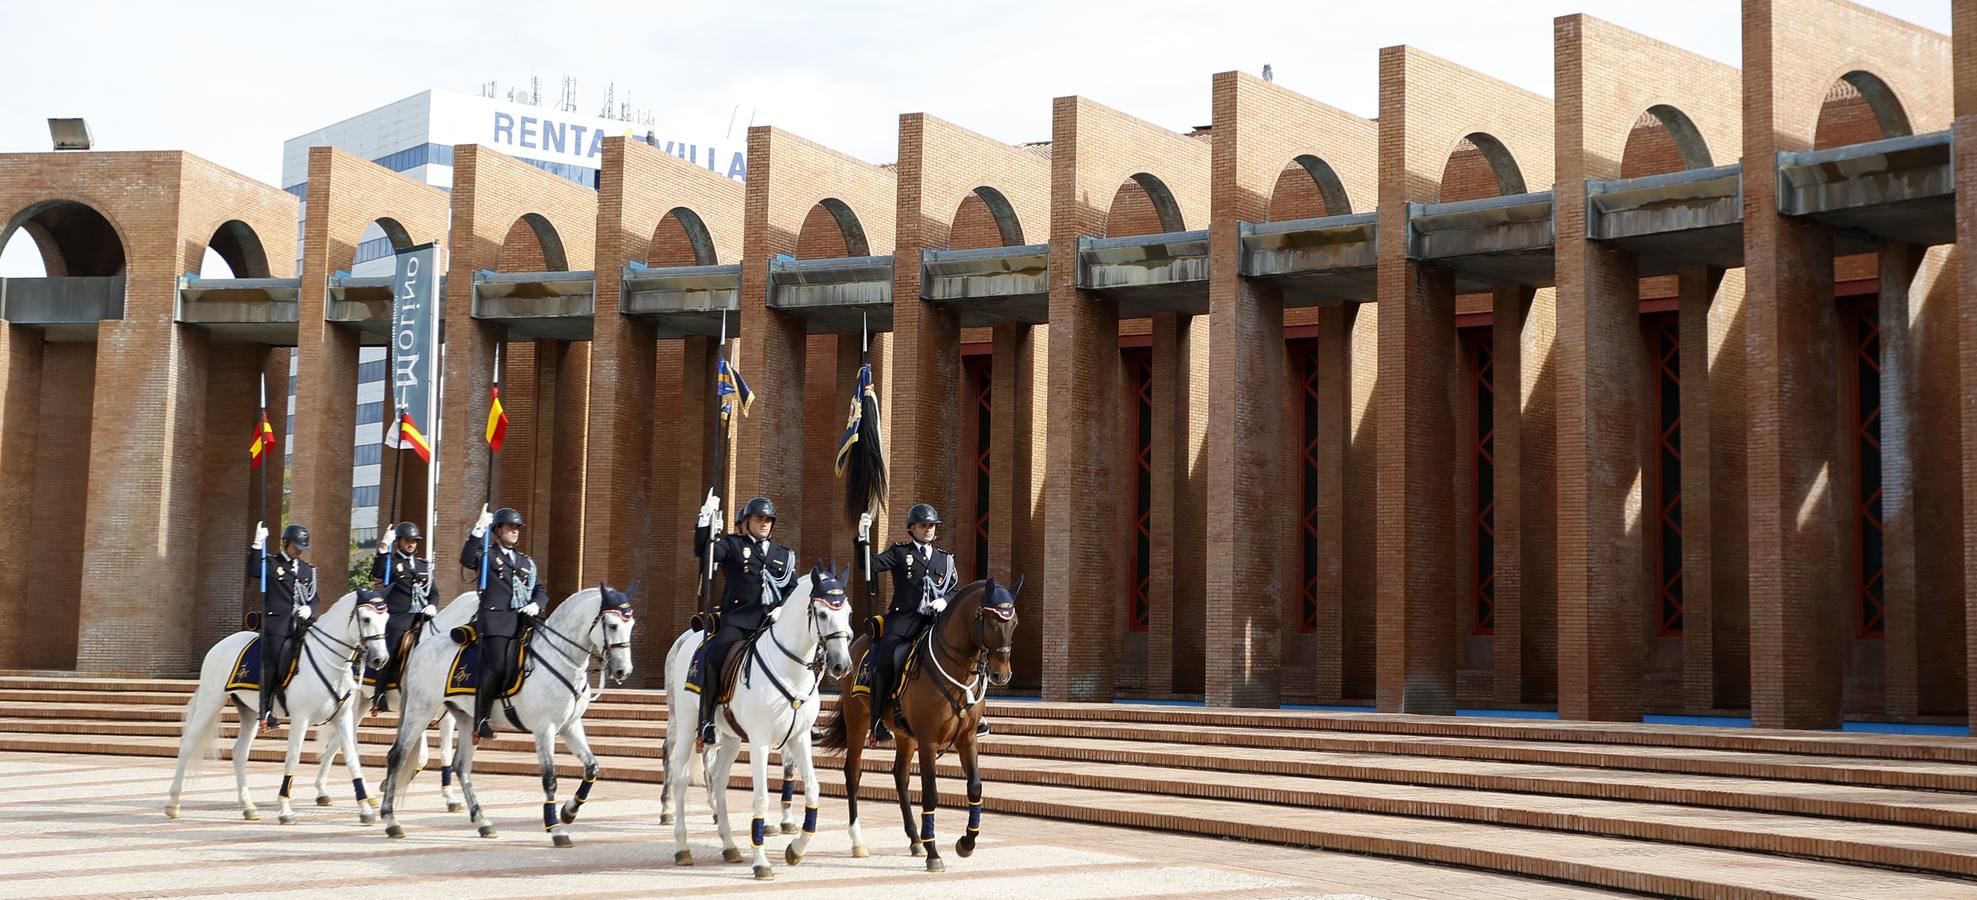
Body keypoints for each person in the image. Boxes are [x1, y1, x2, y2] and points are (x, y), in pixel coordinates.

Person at [855, 503, 988, 742]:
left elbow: (955, 588)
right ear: (911, 529)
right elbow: (870, 565)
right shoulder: (899, 552)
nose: (928, 529)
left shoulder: (945, 560)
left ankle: (973, 712)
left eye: (932, 526)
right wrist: (862, 538)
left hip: (935, 622)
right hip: (904, 621)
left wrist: (945, 600)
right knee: (886, 660)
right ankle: (877, 720)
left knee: (970, 653)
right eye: (923, 525)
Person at [692, 493, 799, 747]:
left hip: (771, 623)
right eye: (759, 519)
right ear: (748, 521)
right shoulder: (733, 545)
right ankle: (706, 720)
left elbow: (792, 588)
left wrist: (782, 609)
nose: (764, 523)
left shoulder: (782, 554)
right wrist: (704, 523)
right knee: (715, 656)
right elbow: (705, 554)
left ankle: (800, 720)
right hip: (740, 621)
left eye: (768, 519)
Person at [459, 505, 548, 743]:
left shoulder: (525, 561)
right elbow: (467, 559)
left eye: (517, 528)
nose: (515, 531)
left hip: (524, 623)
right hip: (496, 623)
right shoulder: (488, 556)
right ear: (498, 529)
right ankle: (480, 717)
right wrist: (478, 530)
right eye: (510, 527)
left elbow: (540, 589)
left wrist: (537, 604)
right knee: (498, 667)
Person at [247, 521, 316, 733]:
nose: (299, 551)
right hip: (277, 622)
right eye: (296, 546)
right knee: (272, 660)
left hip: (301, 622)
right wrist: (258, 545)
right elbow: (254, 570)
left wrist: (310, 609)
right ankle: (266, 709)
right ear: (286, 543)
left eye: (302, 548)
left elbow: (314, 597)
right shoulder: (271, 563)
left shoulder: (307, 570)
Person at [367, 521, 434, 715]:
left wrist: (432, 605)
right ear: (399, 542)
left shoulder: (423, 565)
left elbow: (433, 592)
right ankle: (380, 694)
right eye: (407, 540)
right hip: (398, 617)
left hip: (422, 617)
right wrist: (383, 548)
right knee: (392, 648)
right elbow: (377, 573)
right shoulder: (391, 562)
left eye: (414, 540)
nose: (411, 544)